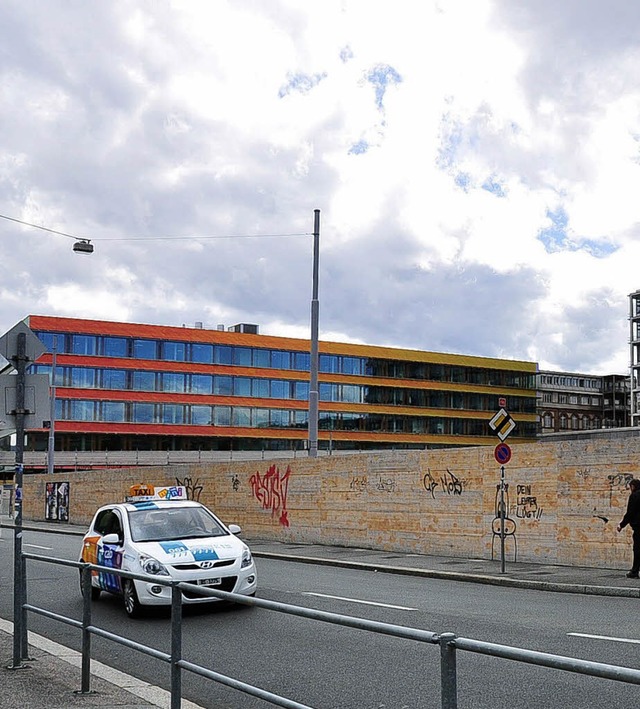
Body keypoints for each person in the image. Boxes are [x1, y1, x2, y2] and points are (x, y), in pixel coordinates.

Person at [616, 478, 640, 578]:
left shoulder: (634, 495)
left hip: (639, 527)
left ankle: (634, 572)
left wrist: (621, 525)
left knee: (638, 549)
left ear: (633, 486)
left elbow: (630, 513)